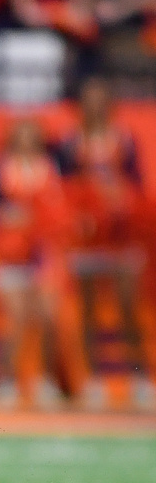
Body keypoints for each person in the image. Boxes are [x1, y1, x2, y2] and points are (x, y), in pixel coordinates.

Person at [56, 77, 154, 409]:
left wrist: (123, 199)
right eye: (89, 99)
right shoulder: (71, 142)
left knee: (128, 307)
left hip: (120, 234)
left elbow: (137, 181)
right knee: (88, 310)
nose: (95, 105)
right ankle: (93, 380)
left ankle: (141, 377)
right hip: (87, 237)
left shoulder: (123, 138)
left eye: (101, 98)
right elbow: (63, 188)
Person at [0, 117, 69, 409]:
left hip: (43, 252)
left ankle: (45, 380)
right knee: (16, 319)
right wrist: (6, 214)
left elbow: (65, 204)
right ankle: (6, 381)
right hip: (9, 253)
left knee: (46, 317)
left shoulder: (52, 165)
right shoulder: (0, 167)